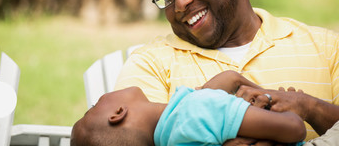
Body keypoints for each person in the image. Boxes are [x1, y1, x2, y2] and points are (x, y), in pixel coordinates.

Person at [114, 0, 339, 141]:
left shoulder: (326, 48)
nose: (180, 4)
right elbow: (123, 138)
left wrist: (310, 107)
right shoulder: (150, 63)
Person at [71, 71, 307, 146]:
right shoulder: (197, 110)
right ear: (118, 113)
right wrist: (285, 104)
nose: (98, 100)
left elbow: (222, 84)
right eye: (93, 106)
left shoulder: (174, 134)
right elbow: (295, 129)